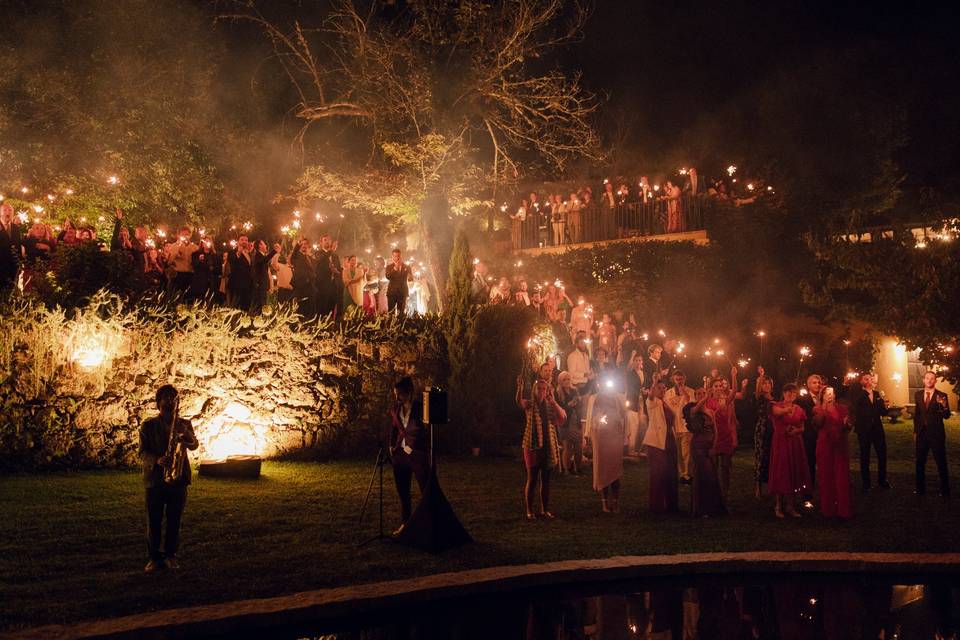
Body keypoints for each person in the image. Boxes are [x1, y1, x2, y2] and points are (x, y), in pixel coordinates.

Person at [138, 384, 198, 572]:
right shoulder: (148, 426)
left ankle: (171, 555)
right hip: (155, 480)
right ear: (158, 403)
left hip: (178, 479)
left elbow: (194, 445)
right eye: (165, 398)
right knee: (154, 520)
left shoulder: (184, 424)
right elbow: (141, 453)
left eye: (172, 397)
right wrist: (157, 460)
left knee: (174, 521)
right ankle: (154, 558)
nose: (169, 401)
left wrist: (185, 433)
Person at [516, 376, 564, 520]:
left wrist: (553, 400)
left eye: (544, 389)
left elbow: (562, 417)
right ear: (535, 390)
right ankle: (530, 510)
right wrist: (520, 388)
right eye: (539, 389)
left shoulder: (550, 407)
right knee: (532, 479)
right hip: (532, 447)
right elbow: (519, 402)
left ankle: (545, 510)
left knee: (546, 479)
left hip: (547, 447)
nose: (542, 391)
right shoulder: (530, 405)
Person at [387, 377, 430, 535]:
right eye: (395, 394)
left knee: (425, 490)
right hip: (400, 455)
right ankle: (406, 523)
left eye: (400, 394)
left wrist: (417, 447)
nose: (397, 397)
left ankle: (427, 523)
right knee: (403, 492)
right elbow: (394, 427)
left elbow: (424, 430)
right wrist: (391, 444)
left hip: (417, 455)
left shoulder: (420, 408)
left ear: (409, 393)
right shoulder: (396, 408)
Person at [768, 383, 811, 518]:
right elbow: (777, 413)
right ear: (783, 393)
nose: (790, 395)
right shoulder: (776, 405)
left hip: (795, 443)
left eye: (793, 393)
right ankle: (778, 505)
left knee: (793, 471)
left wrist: (796, 430)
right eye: (788, 392)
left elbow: (803, 427)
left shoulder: (799, 409)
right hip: (781, 443)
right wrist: (787, 409)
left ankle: (790, 506)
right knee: (782, 471)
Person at [686, 388, 726, 517]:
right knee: (701, 476)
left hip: (709, 446)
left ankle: (713, 507)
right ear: (695, 396)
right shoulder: (692, 410)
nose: (702, 395)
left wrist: (714, 446)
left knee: (712, 476)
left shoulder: (710, 411)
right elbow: (697, 408)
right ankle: (701, 509)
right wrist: (707, 396)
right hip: (698, 447)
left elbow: (715, 430)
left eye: (703, 393)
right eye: (699, 394)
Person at [813, 387, 852, 518]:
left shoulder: (842, 409)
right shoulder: (817, 409)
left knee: (842, 477)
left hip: (840, 446)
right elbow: (817, 424)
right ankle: (828, 509)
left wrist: (848, 424)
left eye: (831, 393)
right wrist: (824, 410)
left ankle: (843, 509)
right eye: (826, 393)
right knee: (826, 476)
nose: (829, 395)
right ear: (822, 396)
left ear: (835, 395)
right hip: (825, 445)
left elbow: (847, 428)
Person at [588, 379, 626, 512]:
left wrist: (623, 435)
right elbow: (591, 418)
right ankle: (604, 503)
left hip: (615, 437)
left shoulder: (618, 398)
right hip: (601, 438)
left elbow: (623, 416)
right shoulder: (595, 398)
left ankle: (615, 502)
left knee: (615, 472)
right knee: (603, 471)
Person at [913, 370, 951, 497]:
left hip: (936, 434)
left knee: (941, 462)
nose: (929, 380)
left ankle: (945, 490)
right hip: (922, 434)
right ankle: (920, 489)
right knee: (920, 462)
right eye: (927, 378)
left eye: (932, 378)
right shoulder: (918, 395)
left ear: (935, 381)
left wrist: (944, 405)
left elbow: (946, 416)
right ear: (923, 380)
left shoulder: (942, 395)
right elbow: (917, 414)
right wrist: (915, 431)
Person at [644, 381, 679, 513]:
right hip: (657, 442)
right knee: (658, 473)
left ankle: (671, 504)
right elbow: (651, 397)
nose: (663, 390)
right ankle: (657, 505)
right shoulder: (652, 403)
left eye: (664, 388)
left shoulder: (666, 402)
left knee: (670, 472)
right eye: (659, 388)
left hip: (670, 440)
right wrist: (653, 383)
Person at [852, 372, 889, 493]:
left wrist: (885, 406)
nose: (869, 380)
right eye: (866, 379)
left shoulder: (878, 394)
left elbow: (883, 412)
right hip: (864, 429)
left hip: (877, 429)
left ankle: (882, 480)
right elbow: (856, 407)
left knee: (882, 454)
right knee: (865, 455)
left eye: (870, 378)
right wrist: (866, 392)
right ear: (861, 381)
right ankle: (866, 482)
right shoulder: (858, 394)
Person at [706, 368, 739, 500]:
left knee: (725, 466)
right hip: (714, 437)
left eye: (720, 386)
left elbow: (735, 391)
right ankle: (714, 490)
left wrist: (733, 376)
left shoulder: (726, 399)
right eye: (716, 386)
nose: (719, 388)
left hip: (726, 436)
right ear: (712, 388)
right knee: (713, 466)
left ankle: (725, 491)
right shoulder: (707, 401)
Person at [664, 371, 697, 484]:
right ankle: (679, 473)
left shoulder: (691, 391)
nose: (679, 381)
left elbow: (692, 404)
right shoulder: (668, 393)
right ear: (673, 379)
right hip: (673, 427)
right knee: (676, 452)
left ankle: (686, 474)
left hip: (686, 427)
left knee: (686, 452)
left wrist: (684, 392)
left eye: (681, 379)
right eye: (677, 379)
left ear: (684, 379)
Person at [796, 374, 823, 506]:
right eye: (814, 382)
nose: (817, 384)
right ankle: (808, 494)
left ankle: (826, 492)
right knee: (810, 465)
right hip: (809, 437)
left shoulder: (825, 398)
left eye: (819, 382)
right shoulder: (803, 400)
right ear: (808, 385)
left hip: (824, 437)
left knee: (824, 464)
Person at [556, 371, 583, 476]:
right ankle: (567, 470)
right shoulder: (558, 393)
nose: (567, 381)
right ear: (560, 381)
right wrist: (569, 405)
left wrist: (578, 402)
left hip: (576, 421)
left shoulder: (574, 390)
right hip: (565, 422)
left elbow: (579, 406)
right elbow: (558, 408)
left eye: (568, 379)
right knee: (567, 446)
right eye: (564, 379)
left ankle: (578, 468)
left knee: (578, 446)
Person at [753, 375, 775, 499]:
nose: (766, 385)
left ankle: (770, 486)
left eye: (768, 383)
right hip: (762, 430)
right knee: (760, 457)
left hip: (773, 430)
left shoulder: (774, 398)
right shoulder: (759, 398)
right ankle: (758, 487)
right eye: (764, 383)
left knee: (771, 458)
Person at [163, 227, 198, 294]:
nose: (185, 236)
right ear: (179, 235)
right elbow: (169, 261)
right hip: (177, 274)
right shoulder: (173, 246)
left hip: (190, 274)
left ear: (190, 235)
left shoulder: (195, 247)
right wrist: (177, 249)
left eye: (187, 234)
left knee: (187, 297)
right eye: (183, 234)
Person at [314, 235, 341, 317]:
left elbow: (339, 270)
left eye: (329, 240)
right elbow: (320, 259)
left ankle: (330, 325)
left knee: (331, 308)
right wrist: (331, 250)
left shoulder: (335, 256)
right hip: (322, 286)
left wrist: (337, 271)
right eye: (325, 240)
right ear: (321, 243)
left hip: (333, 285)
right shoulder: (318, 253)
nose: (327, 241)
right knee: (322, 309)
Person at [227, 235, 254, 311]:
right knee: (235, 308)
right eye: (242, 240)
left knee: (245, 307)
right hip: (237, 284)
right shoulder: (232, 252)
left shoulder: (248, 253)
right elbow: (232, 262)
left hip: (247, 285)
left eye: (246, 240)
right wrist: (238, 253)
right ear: (238, 241)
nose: (244, 242)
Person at [290, 237, 316, 316]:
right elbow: (294, 253)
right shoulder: (297, 256)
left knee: (310, 308)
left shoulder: (310, 258)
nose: (304, 245)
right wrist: (298, 243)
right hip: (300, 286)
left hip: (310, 286)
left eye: (306, 244)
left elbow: (313, 270)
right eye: (303, 244)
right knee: (300, 308)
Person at [250, 239, 277, 314]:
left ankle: (261, 320)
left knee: (263, 304)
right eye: (264, 244)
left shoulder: (261, 255)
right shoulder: (258, 255)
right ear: (260, 246)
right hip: (260, 285)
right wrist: (274, 251)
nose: (266, 245)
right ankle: (259, 322)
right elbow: (264, 260)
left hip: (263, 284)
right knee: (260, 305)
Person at [0, 203, 22, 291]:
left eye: (10, 210)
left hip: (12, 267)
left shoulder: (16, 228)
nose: (7, 212)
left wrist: (19, 263)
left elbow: (18, 246)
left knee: (10, 291)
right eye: (4, 210)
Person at [385, 248, 411, 315]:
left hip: (402, 292)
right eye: (395, 256)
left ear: (401, 256)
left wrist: (410, 277)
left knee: (401, 313)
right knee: (391, 313)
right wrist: (395, 268)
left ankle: (401, 324)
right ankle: (390, 325)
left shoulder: (407, 267)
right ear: (392, 257)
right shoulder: (389, 267)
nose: (397, 258)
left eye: (398, 256)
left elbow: (410, 279)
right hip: (392, 293)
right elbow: (388, 277)